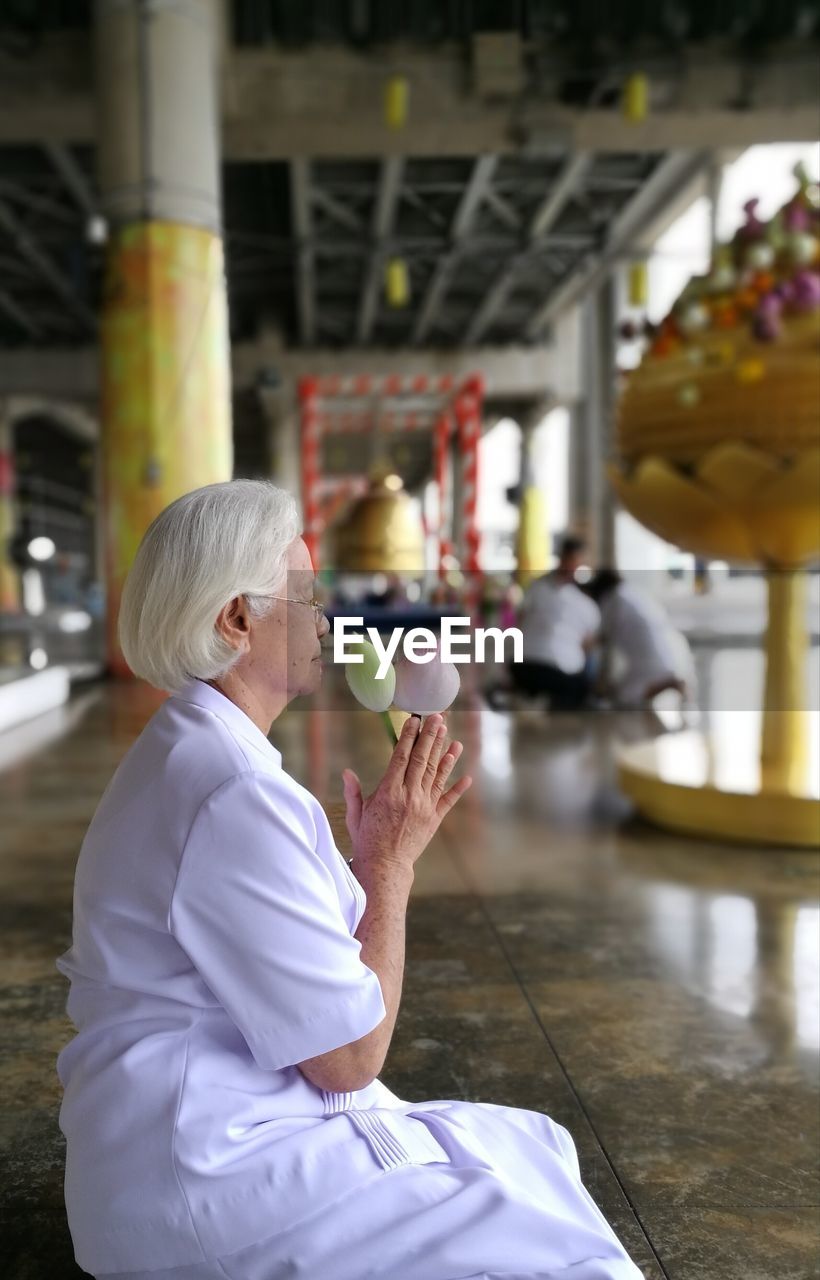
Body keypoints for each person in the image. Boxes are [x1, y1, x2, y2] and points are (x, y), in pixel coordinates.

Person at [55, 480, 643, 1280]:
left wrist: (372, 857)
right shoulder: (233, 792)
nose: (324, 616)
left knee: (532, 1148)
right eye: (304, 593)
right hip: (206, 1176)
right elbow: (349, 1058)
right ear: (237, 618)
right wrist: (388, 865)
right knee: (551, 1249)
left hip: (171, 1141)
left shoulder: (192, 747)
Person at [512, 535, 601, 711]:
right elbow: (588, 645)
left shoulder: (536, 587)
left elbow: (519, 623)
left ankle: (534, 697)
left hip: (522, 669)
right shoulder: (586, 603)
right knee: (585, 675)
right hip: (561, 676)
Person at [586, 568, 691, 707]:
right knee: (626, 689)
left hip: (651, 661)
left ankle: (669, 683)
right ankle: (667, 682)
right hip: (671, 650)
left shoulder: (613, 600)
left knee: (625, 697)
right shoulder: (631, 592)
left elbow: (601, 638)